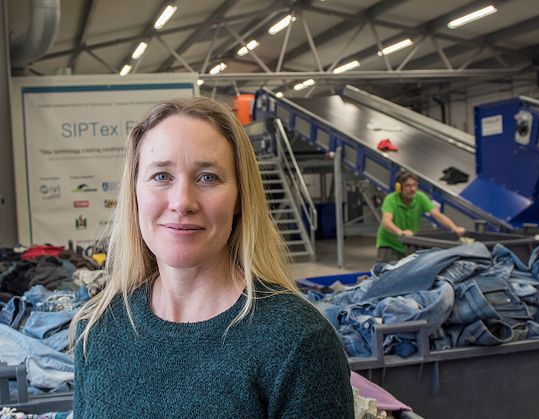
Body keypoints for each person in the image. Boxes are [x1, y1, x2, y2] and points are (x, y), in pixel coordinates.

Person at [70, 97, 354, 417]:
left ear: (238, 197)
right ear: (134, 193)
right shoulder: (98, 327)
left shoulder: (299, 341)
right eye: (161, 176)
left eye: (207, 177)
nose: (182, 202)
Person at [376, 171, 466, 262]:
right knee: (387, 272)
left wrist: (454, 227)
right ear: (399, 187)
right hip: (389, 244)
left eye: (414, 185)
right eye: (408, 185)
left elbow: (438, 215)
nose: (412, 189)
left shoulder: (420, 198)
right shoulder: (391, 199)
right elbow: (386, 222)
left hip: (407, 243)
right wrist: (400, 232)